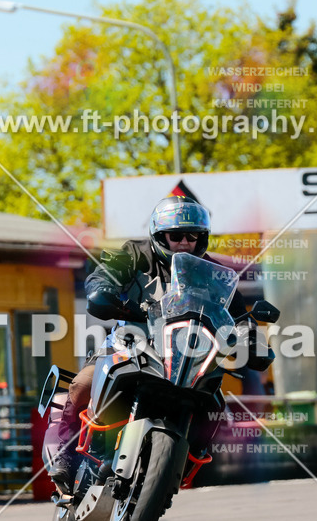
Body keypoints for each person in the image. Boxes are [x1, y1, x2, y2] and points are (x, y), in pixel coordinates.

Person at [49, 196, 263, 493]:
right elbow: (105, 274)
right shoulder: (135, 253)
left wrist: (250, 337)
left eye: (192, 236)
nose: (184, 242)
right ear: (160, 236)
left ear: (202, 238)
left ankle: (184, 459)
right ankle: (65, 455)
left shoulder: (214, 273)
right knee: (81, 385)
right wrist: (103, 288)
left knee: (215, 404)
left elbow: (237, 315)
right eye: (176, 235)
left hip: (190, 355)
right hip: (132, 342)